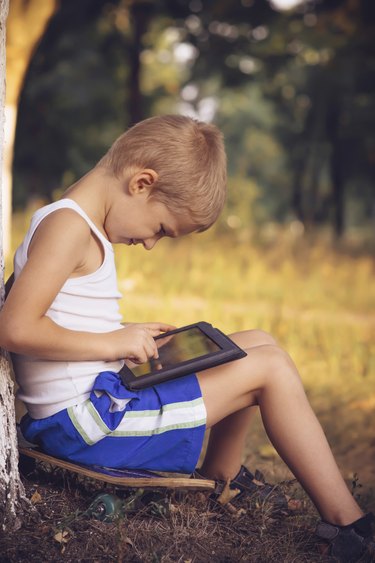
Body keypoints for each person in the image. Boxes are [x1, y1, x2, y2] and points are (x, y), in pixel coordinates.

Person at [0, 115, 373, 562]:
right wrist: (115, 343)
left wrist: (126, 335)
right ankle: (348, 523)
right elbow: (15, 328)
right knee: (268, 369)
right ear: (142, 183)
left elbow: (59, 316)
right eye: (160, 229)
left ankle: (221, 479)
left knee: (257, 342)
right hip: (86, 427)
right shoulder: (69, 228)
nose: (153, 243)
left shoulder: (74, 223)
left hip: (100, 402)